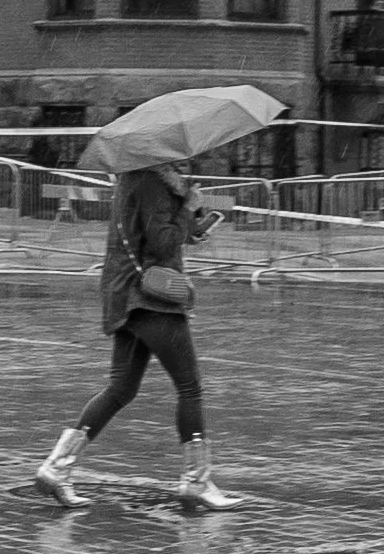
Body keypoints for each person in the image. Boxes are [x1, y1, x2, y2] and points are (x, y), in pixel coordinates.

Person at [32, 161, 240, 511]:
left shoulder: (137, 178)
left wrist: (192, 216)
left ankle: (56, 468)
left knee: (120, 389)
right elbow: (161, 243)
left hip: (126, 296)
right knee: (189, 388)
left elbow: (165, 233)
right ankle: (196, 481)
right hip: (151, 299)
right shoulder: (151, 183)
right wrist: (187, 207)